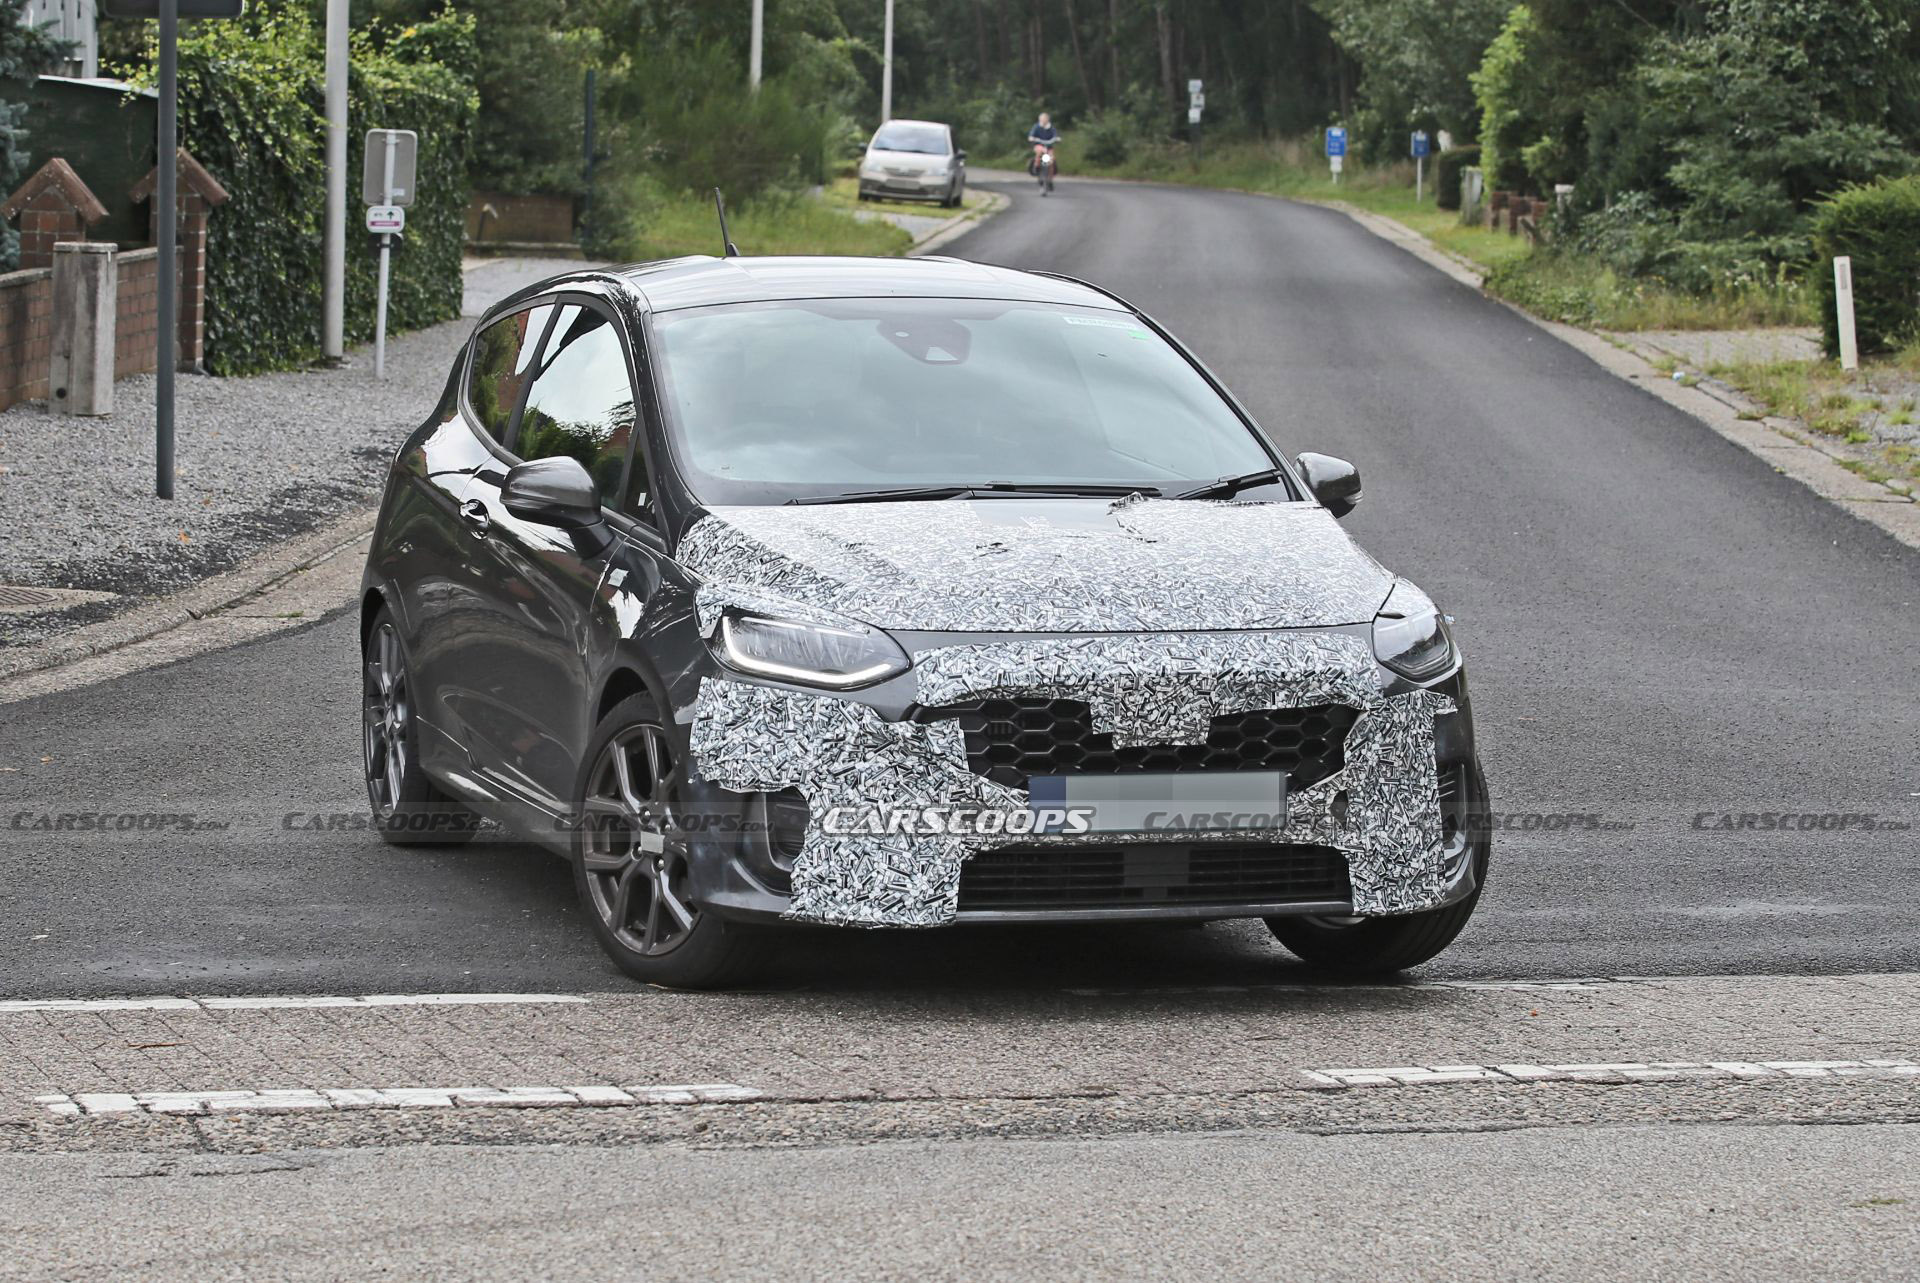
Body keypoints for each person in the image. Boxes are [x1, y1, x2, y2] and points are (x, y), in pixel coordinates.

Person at [1027, 112, 1060, 178]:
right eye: (1042, 119)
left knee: (1051, 159)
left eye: (1045, 119)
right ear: (1040, 119)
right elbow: (1031, 135)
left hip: (1049, 146)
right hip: (1039, 145)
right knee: (1039, 152)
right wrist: (1031, 138)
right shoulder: (1036, 127)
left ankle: (1050, 177)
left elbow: (1055, 134)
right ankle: (1036, 166)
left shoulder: (1051, 127)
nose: (1044, 120)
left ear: (1048, 119)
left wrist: (1057, 138)